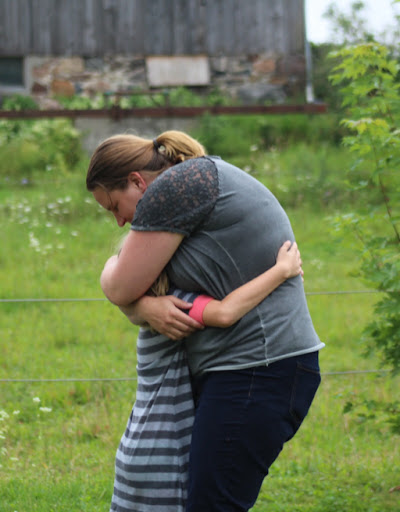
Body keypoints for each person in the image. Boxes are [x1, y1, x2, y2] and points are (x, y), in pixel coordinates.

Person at [86, 130, 325, 512]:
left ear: (137, 181)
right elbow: (127, 291)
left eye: (115, 206)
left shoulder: (178, 186)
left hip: (258, 368)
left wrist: (135, 302)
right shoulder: (193, 178)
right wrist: (144, 309)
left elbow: (120, 286)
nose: (119, 221)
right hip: (249, 369)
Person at [110, 239, 303, 512]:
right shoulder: (176, 304)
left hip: (138, 446)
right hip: (165, 452)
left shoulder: (145, 307)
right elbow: (225, 312)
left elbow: (112, 268)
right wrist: (281, 272)